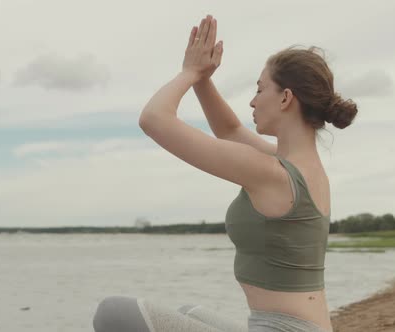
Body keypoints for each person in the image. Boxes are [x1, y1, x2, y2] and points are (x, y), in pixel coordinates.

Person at [93, 13, 357, 332]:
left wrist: (188, 73)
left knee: (113, 314)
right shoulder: (298, 167)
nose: (252, 101)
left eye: (260, 90)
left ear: (286, 98)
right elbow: (229, 130)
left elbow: (154, 119)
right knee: (190, 312)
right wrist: (204, 79)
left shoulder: (271, 172)